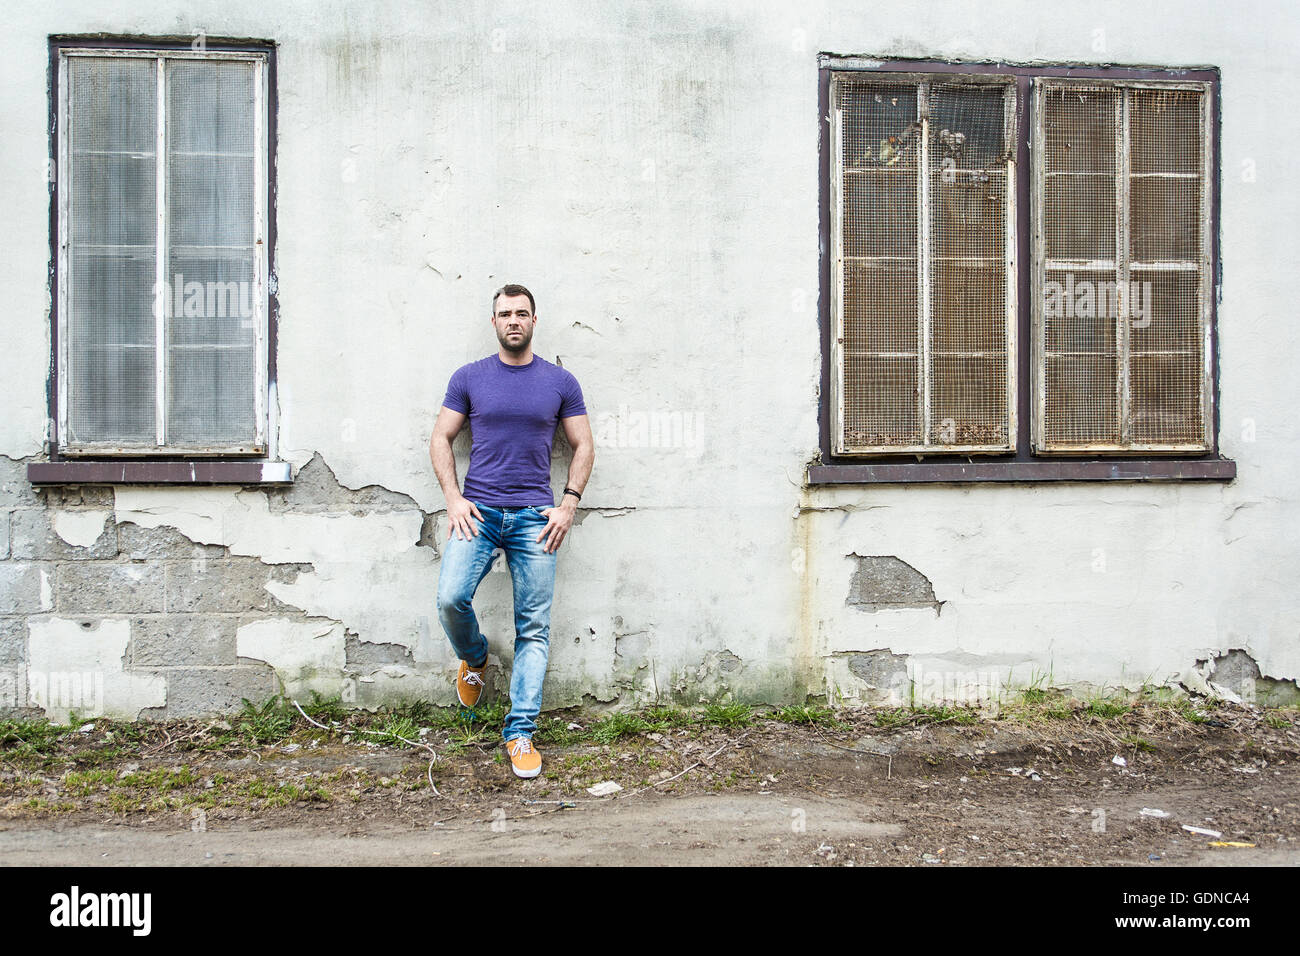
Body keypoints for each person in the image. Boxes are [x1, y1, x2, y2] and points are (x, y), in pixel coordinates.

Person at [429, 283, 594, 779]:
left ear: (534, 321)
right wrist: (454, 499)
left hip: (535, 519)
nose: (514, 321)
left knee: (534, 628)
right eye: (505, 314)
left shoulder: (560, 381)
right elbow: (441, 437)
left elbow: (583, 445)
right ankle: (475, 657)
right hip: (477, 512)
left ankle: (519, 733)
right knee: (450, 599)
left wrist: (568, 505)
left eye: (522, 313)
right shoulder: (470, 377)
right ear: (494, 322)